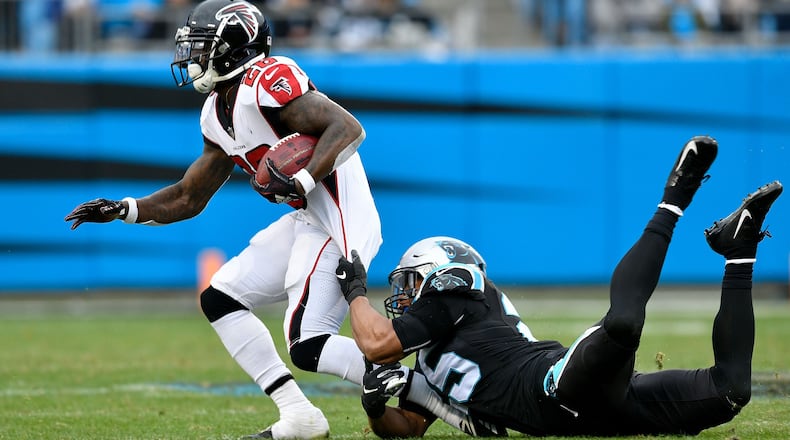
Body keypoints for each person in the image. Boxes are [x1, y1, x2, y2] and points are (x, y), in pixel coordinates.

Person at [65, 0, 379, 437]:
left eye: (201, 46)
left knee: (307, 342)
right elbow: (190, 196)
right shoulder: (216, 111)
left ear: (233, 47)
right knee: (221, 298)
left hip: (340, 217)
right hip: (309, 218)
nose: (191, 58)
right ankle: (299, 415)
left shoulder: (267, 79)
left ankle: (417, 383)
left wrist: (303, 180)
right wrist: (126, 209)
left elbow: (347, 128)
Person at [335, 135, 784, 437]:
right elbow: (408, 428)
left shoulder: (456, 290)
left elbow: (376, 345)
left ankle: (675, 197)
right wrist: (376, 410)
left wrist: (355, 289)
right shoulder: (432, 357)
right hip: (601, 413)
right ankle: (739, 250)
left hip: (557, 384)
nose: (406, 294)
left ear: (439, 272)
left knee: (624, 324)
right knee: (730, 392)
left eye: (412, 280)